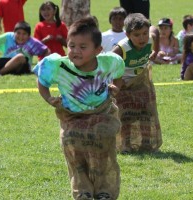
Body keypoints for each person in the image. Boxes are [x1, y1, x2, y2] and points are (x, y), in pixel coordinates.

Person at [33, 16, 125, 200]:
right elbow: (42, 80)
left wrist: (116, 86)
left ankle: (105, 192)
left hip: (102, 112)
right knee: (75, 153)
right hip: (72, 116)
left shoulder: (109, 61)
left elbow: (119, 72)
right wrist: (48, 98)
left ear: (98, 50)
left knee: (104, 152)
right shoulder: (58, 66)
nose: (75, 51)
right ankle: (82, 192)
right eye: (72, 45)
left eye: (83, 47)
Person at [112, 13, 162, 153]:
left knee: (146, 111)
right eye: (137, 35)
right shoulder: (121, 49)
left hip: (140, 81)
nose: (142, 38)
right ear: (128, 35)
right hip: (122, 84)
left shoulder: (150, 40)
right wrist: (115, 82)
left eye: (144, 33)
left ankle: (146, 143)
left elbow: (156, 31)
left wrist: (156, 51)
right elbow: (107, 63)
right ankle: (125, 145)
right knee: (125, 114)